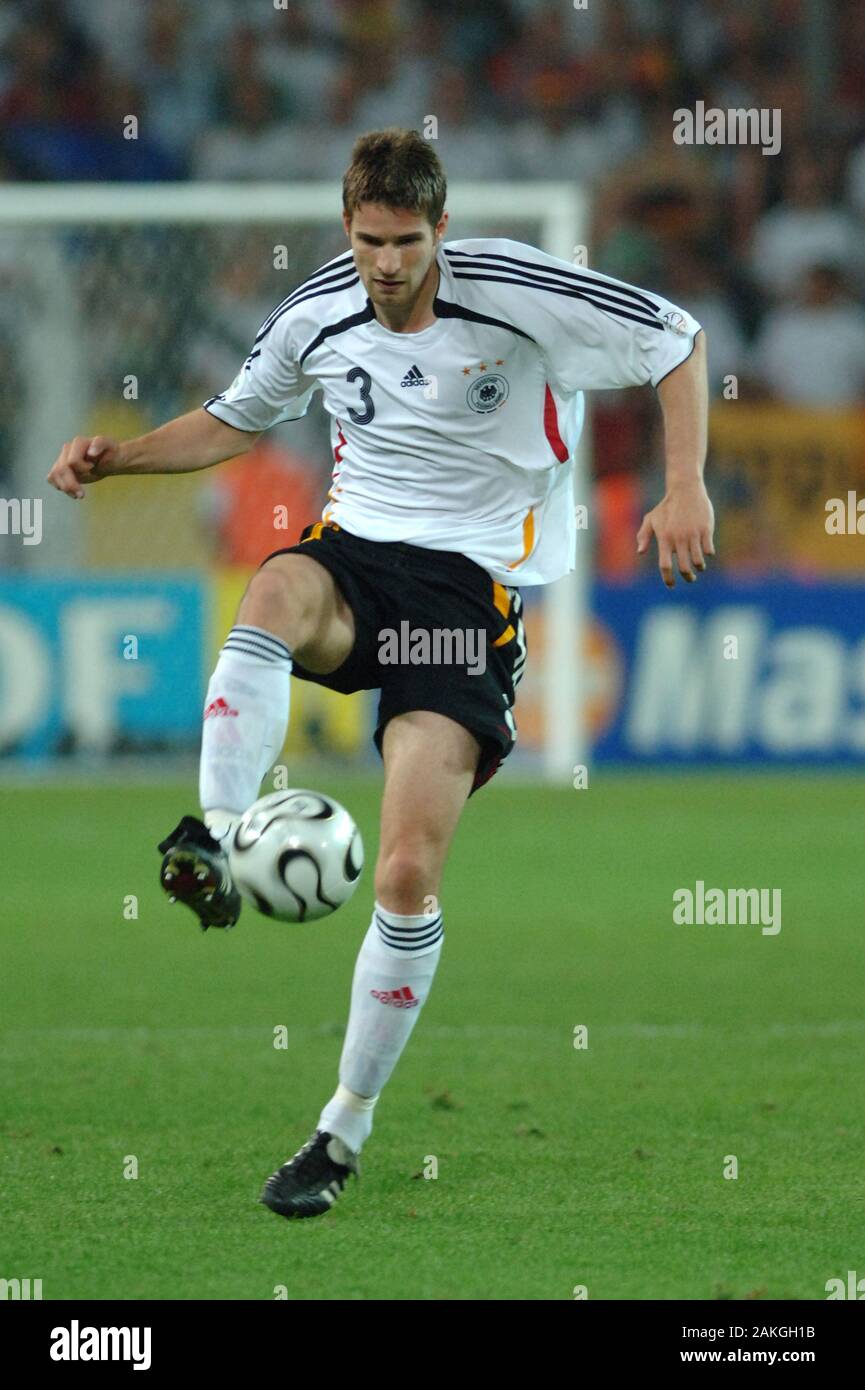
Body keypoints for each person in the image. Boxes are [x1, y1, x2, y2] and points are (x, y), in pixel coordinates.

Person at [48, 128, 714, 1220]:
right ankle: (217, 833)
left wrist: (683, 484)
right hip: (357, 553)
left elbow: (677, 340)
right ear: (345, 228)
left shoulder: (515, 293)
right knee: (270, 589)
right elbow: (233, 418)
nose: (388, 263)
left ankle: (340, 1130)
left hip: (467, 597)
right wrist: (115, 458)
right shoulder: (319, 310)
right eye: (369, 240)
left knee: (404, 875)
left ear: (440, 229)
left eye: (408, 241)